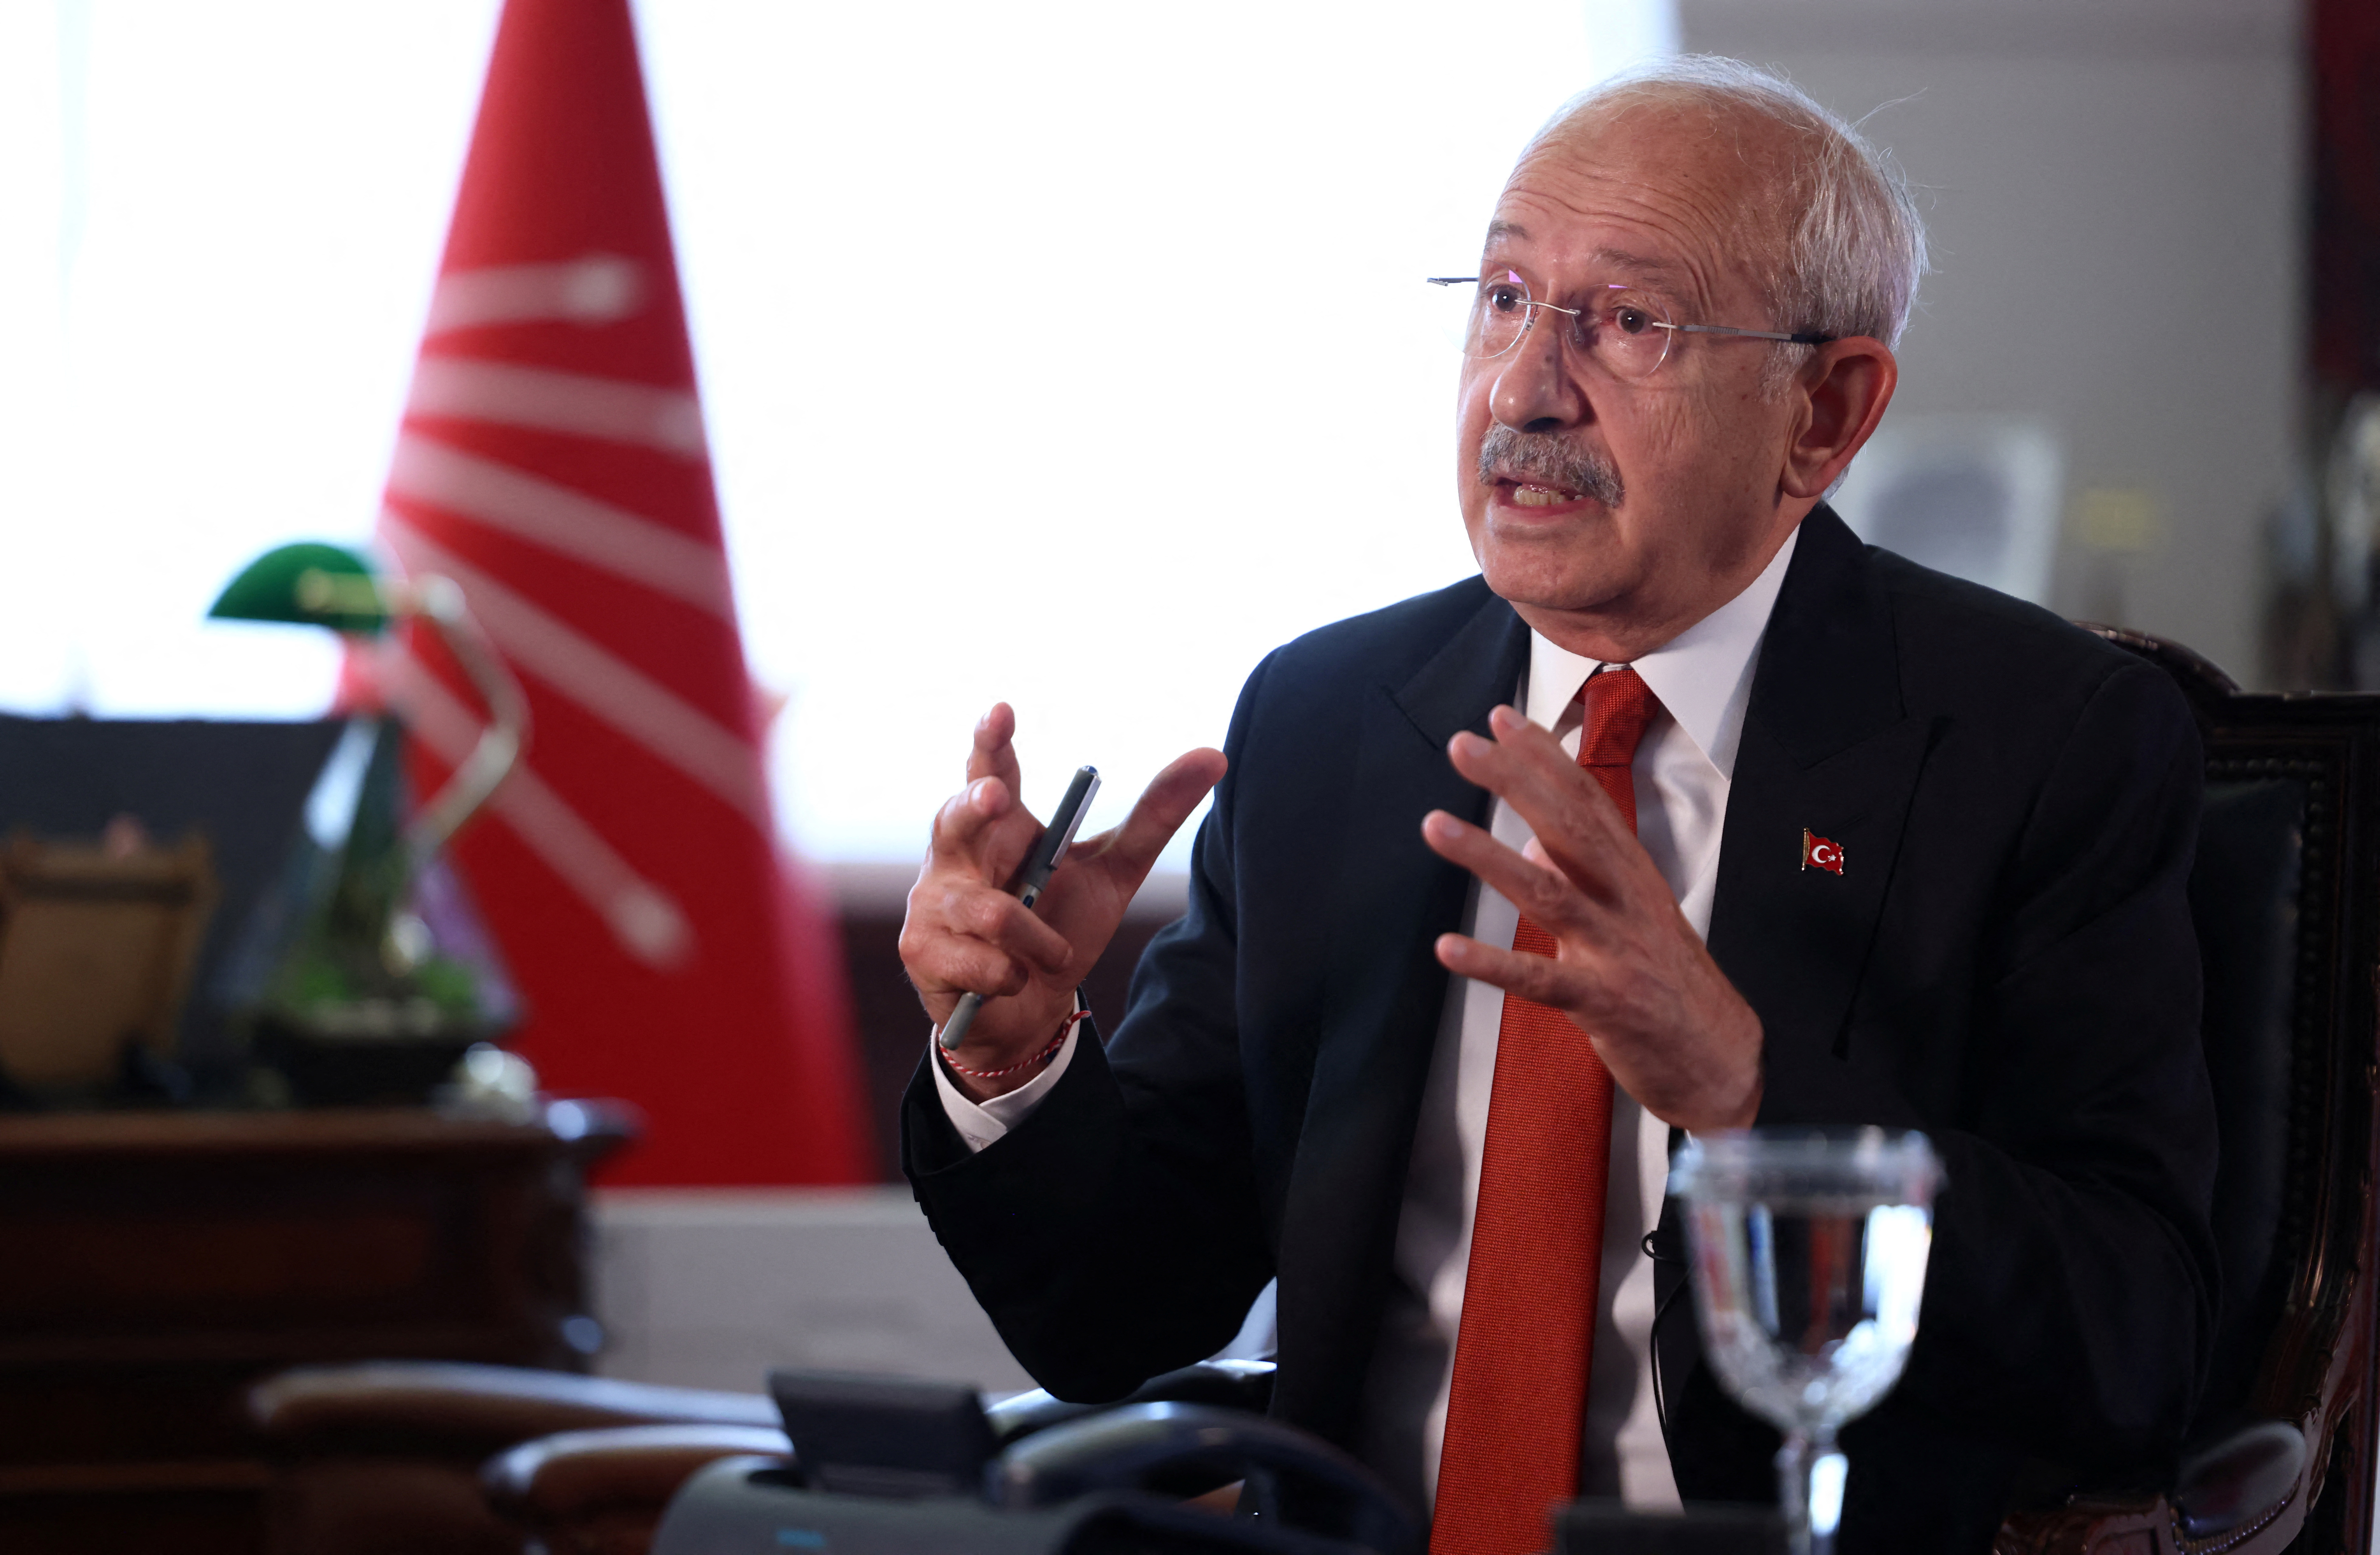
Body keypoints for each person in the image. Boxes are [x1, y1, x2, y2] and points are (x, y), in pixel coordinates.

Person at [896, 56, 2217, 1555]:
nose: (1525, 388)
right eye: (1505, 298)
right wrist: (1015, 1064)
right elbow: (1125, 1308)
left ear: (1826, 412)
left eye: (1631, 323)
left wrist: (1746, 1088)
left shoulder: (2041, 743)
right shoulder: (1331, 719)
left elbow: (2137, 1349)